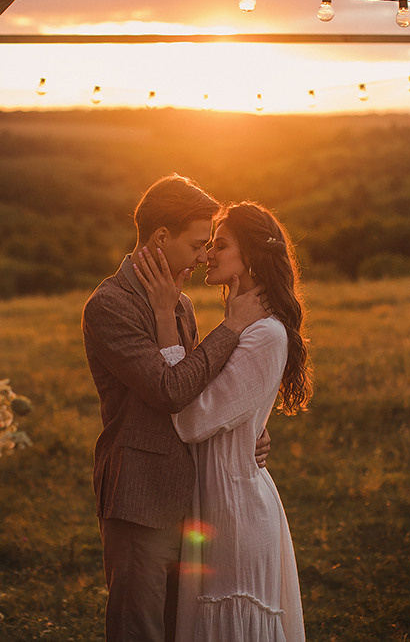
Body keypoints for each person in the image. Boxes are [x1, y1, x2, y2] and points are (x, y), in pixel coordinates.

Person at [82, 175, 271, 641]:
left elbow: (198, 390)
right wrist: (232, 326)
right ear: (161, 238)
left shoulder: (181, 303)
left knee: (180, 633)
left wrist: (243, 429)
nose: (204, 256)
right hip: (140, 499)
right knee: (139, 632)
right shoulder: (109, 305)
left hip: (193, 502)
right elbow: (170, 388)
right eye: (197, 244)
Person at [133, 201, 311, 641]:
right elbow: (224, 404)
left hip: (236, 514)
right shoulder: (243, 325)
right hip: (214, 507)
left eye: (221, 244)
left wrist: (162, 316)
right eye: (207, 243)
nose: (208, 253)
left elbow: (192, 419)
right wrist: (252, 427)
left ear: (250, 255)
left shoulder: (265, 333)